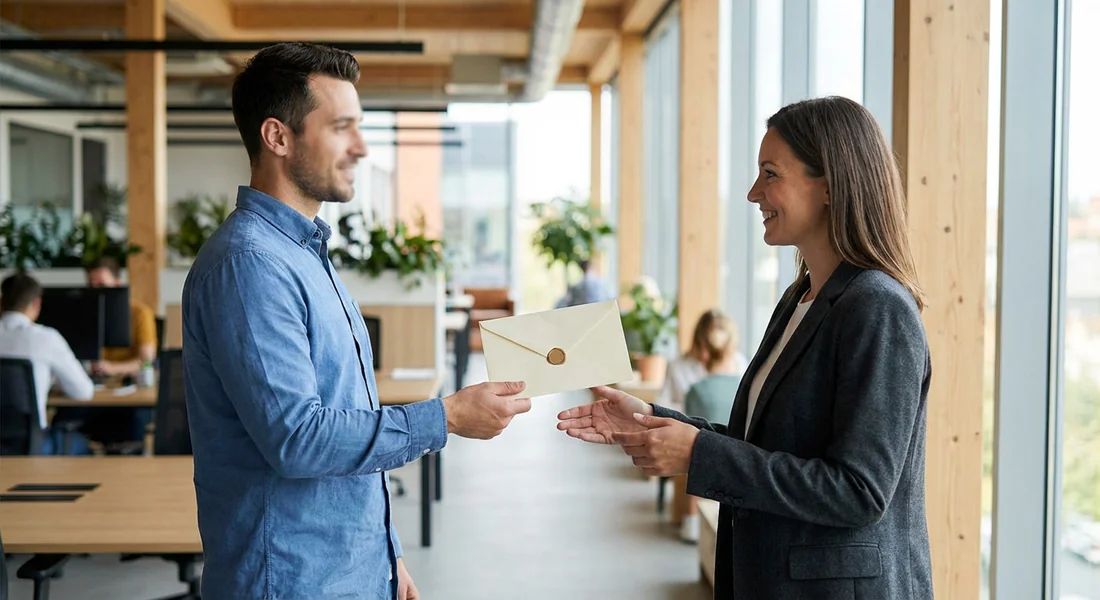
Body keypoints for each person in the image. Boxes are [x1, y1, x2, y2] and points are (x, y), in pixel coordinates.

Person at [182, 42, 531, 600]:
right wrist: (447, 416)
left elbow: (348, 418)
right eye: (342, 127)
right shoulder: (249, 264)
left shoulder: (304, 255)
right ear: (277, 137)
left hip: (349, 570)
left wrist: (386, 554)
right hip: (292, 583)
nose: (362, 148)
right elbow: (299, 439)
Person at [558, 96, 933, 599]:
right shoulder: (801, 298)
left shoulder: (878, 308)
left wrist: (700, 453)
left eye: (770, 174)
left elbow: (859, 492)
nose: (754, 192)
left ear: (829, 186)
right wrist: (652, 421)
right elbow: (766, 446)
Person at [0, 273, 94, 454]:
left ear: (1, 302)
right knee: (81, 444)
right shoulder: (47, 338)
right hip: (32, 445)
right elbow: (83, 392)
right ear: (36, 304)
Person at [678, 310, 742, 543]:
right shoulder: (745, 383)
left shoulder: (697, 390)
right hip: (740, 455)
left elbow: (689, 424)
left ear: (704, 351)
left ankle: (692, 524)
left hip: (704, 457)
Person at [656, 309, 748, 413]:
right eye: (702, 346)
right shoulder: (678, 366)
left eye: (711, 349)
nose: (705, 355)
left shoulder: (740, 365)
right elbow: (662, 405)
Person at [85, 256, 158, 377]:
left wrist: (111, 368)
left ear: (117, 284)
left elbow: (146, 360)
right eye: (91, 286)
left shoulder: (140, 313)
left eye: (102, 285)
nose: (95, 292)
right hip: (91, 380)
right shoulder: (85, 314)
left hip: (129, 380)